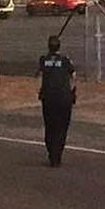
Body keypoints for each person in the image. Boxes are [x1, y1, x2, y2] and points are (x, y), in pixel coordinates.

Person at [37, 34, 76, 167]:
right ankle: (57, 154)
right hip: (64, 98)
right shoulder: (65, 60)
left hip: (48, 98)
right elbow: (73, 76)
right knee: (62, 127)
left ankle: (51, 153)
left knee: (50, 126)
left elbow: (40, 76)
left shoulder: (43, 60)